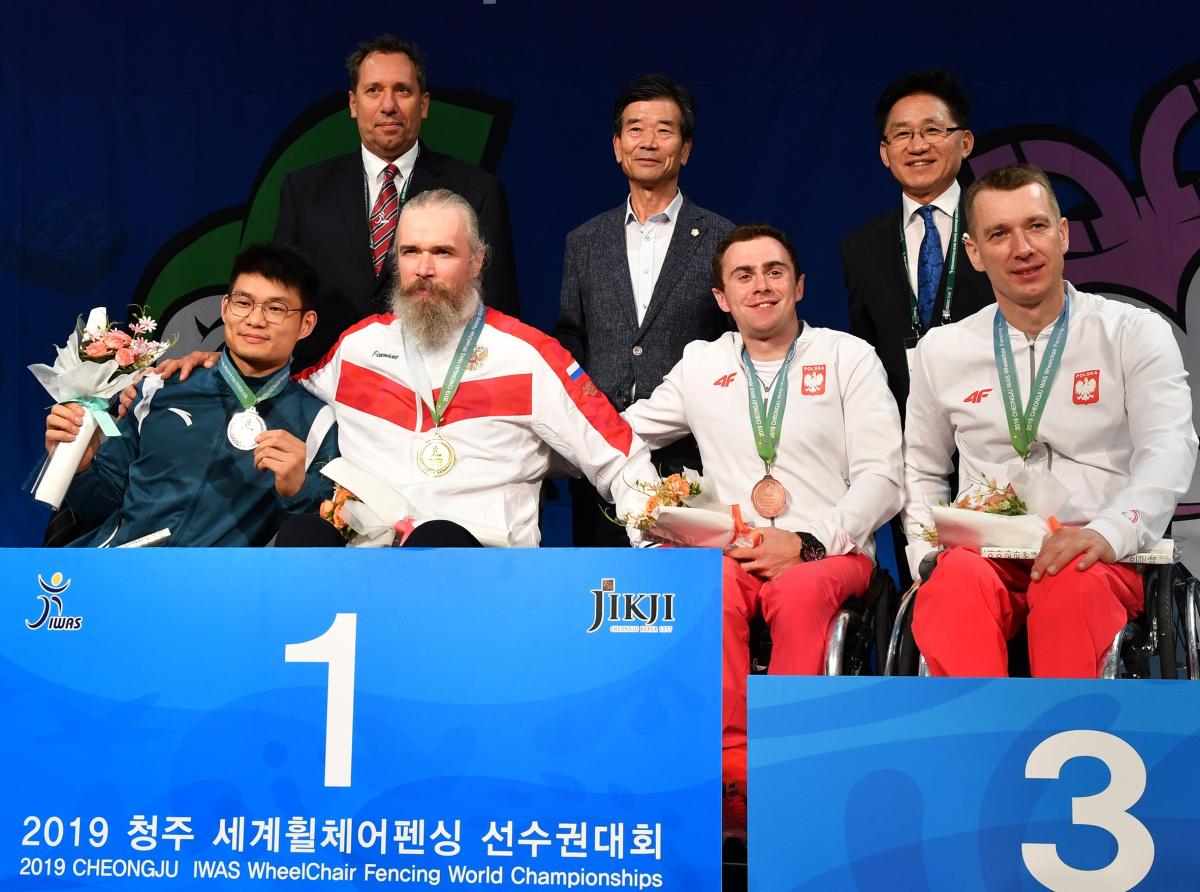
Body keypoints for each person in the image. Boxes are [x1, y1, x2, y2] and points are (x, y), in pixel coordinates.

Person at [623, 223, 903, 841]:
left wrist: (808, 542)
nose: (761, 286)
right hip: (736, 549)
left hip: (832, 552)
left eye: (774, 271)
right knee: (710, 587)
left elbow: (885, 477)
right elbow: (620, 435)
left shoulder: (847, 355)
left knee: (795, 593)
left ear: (799, 285)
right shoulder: (702, 364)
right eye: (743, 276)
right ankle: (733, 776)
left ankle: (791, 766)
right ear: (722, 298)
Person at [903, 164, 1197, 677]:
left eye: (1036, 226)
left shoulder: (1131, 332)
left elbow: (1169, 448)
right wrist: (926, 552)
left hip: (1098, 550)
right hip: (986, 551)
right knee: (952, 585)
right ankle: (974, 749)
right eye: (999, 233)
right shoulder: (941, 351)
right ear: (973, 252)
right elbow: (922, 468)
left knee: (1071, 583)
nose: (1022, 248)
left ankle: (1067, 747)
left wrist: (1110, 531)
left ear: (1062, 234)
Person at [290, 187, 655, 547]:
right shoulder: (358, 347)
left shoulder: (528, 355)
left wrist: (658, 550)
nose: (423, 269)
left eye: (442, 252)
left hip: (480, 572)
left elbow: (620, 458)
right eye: (410, 252)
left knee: (436, 539)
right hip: (371, 572)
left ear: (477, 261)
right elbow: (284, 391)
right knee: (301, 536)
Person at [43, 244, 338, 547]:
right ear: (225, 308)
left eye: (275, 309)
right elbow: (100, 506)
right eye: (243, 302)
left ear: (306, 324)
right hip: (121, 571)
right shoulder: (160, 388)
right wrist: (79, 466)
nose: (255, 319)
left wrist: (297, 490)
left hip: (211, 588)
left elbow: (324, 540)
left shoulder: (317, 423)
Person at [554, 74, 734, 547]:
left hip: (691, 453)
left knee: (682, 601)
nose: (648, 142)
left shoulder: (722, 239)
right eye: (635, 129)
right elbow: (571, 342)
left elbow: (736, 345)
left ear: (686, 148)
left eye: (664, 129)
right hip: (602, 453)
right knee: (603, 595)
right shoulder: (584, 242)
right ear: (617, 146)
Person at [276, 34, 520, 370]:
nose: (388, 105)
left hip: (437, 396)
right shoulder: (302, 190)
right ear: (352, 103)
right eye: (373, 90)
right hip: (324, 389)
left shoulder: (478, 191)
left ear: (423, 104)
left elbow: (499, 314)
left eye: (402, 90)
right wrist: (234, 361)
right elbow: (275, 300)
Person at [842, 69, 996, 586]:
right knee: (926, 588)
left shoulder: (1001, 227)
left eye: (933, 130)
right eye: (902, 134)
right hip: (908, 450)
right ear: (884, 152)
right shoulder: (861, 247)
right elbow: (867, 352)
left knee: (1007, 586)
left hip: (1000, 435)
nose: (918, 145)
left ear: (965, 142)